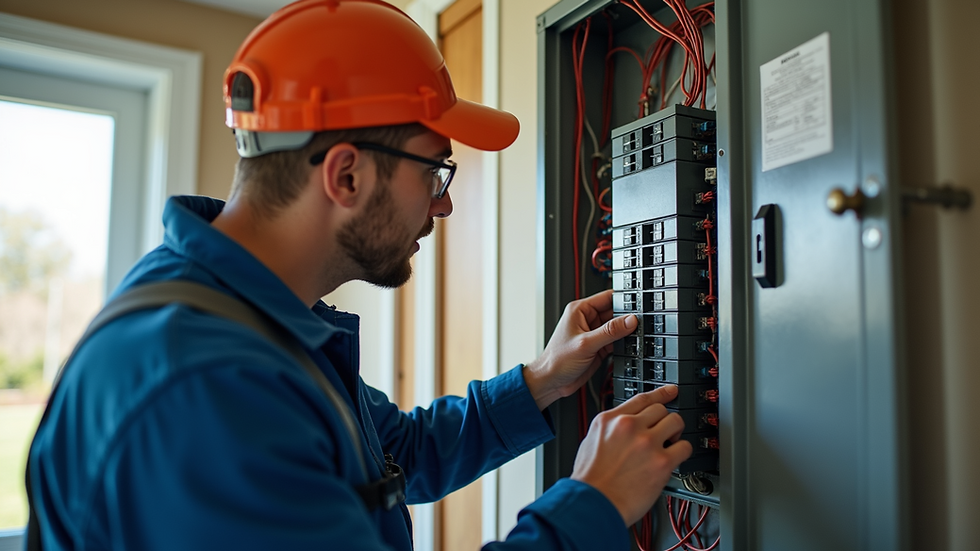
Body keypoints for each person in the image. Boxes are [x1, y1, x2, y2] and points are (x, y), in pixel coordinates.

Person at [25, 1, 693, 549]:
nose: (445, 202)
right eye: (434, 171)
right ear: (347, 174)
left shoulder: (253, 317)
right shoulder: (202, 390)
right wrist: (591, 505)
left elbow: (396, 449)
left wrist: (542, 380)